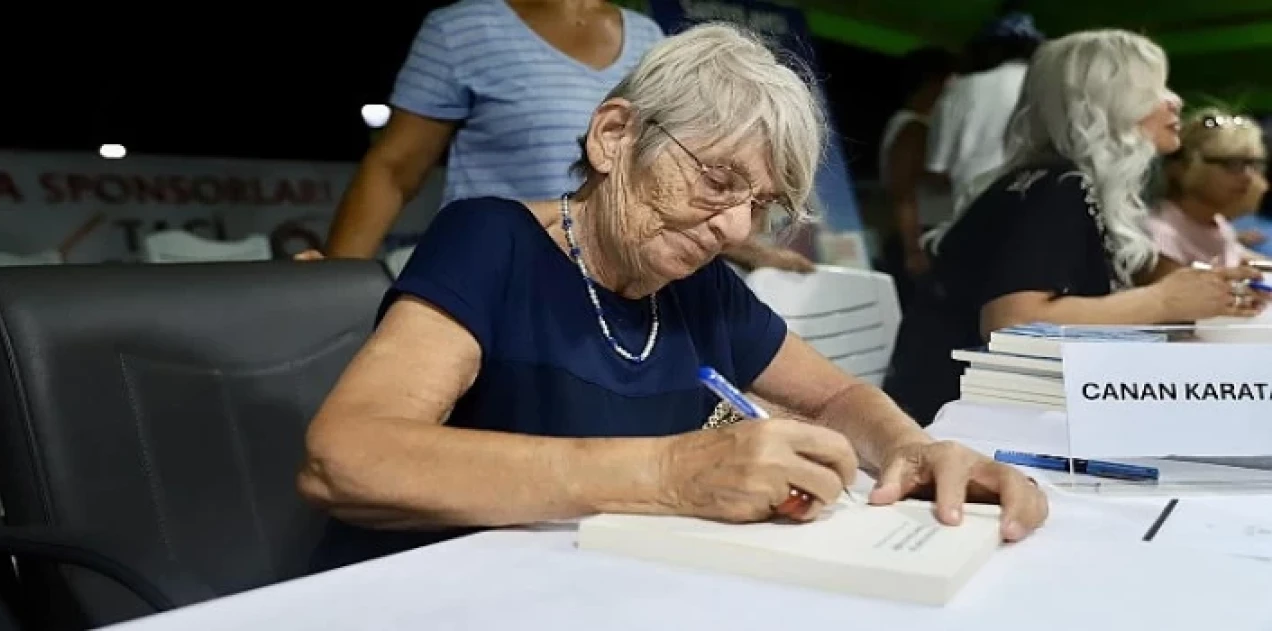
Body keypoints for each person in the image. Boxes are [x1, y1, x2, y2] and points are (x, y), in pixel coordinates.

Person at [297, 23, 1048, 571]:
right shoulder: (489, 240)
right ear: (615, 135)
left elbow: (833, 397)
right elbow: (347, 457)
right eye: (718, 180)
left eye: (759, 204)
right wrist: (673, 475)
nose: (732, 227)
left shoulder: (697, 283)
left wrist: (912, 450)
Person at [883, 29, 1268, 424]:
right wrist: (1164, 302)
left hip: (958, 409)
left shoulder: (1045, 180)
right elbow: (1014, 321)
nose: (1175, 101)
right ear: (1109, 103)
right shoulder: (1061, 186)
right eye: (1154, 88)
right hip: (959, 424)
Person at [302, 0, 814, 273]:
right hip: (493, 276)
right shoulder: (461, 29)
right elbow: (394, 170)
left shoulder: (651, 40)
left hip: (611, 287)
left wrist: (743, 244)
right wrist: (337, 285)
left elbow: (673, 180)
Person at [924, 7, 1044, 217]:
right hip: (1036, 208)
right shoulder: (1050, 87)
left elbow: (937, 168)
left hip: (972, 210)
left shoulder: (960, 90)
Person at [876, 46, 958, 308]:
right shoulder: (913, 128)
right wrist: (913, 249)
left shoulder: (918, 126)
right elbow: (903, 191)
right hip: (915, 238)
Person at [1149, 108, 1268, 266]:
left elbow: (1244, 258)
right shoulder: (1161, 234)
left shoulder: (1216, 223)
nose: (1248, 176)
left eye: (1253, 164)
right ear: (1183, 166)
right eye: (1233, 164)